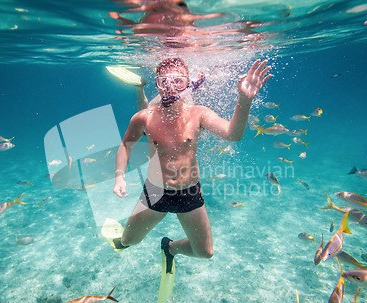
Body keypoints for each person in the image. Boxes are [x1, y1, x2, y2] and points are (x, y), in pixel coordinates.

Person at [112, 57, 271, 270]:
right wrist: (119, 176)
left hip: (189, 193)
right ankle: (124, 240)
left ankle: (170, 248)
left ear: (188, 84)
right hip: (156, 191)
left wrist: (244, 100)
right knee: (128, 241)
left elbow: (232, 135)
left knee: (205, 252)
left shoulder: (198, 114)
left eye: (177, 81)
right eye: (163, 82)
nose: (170, 87)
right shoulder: (143, 118)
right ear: (157, 84)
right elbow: (125, 145)